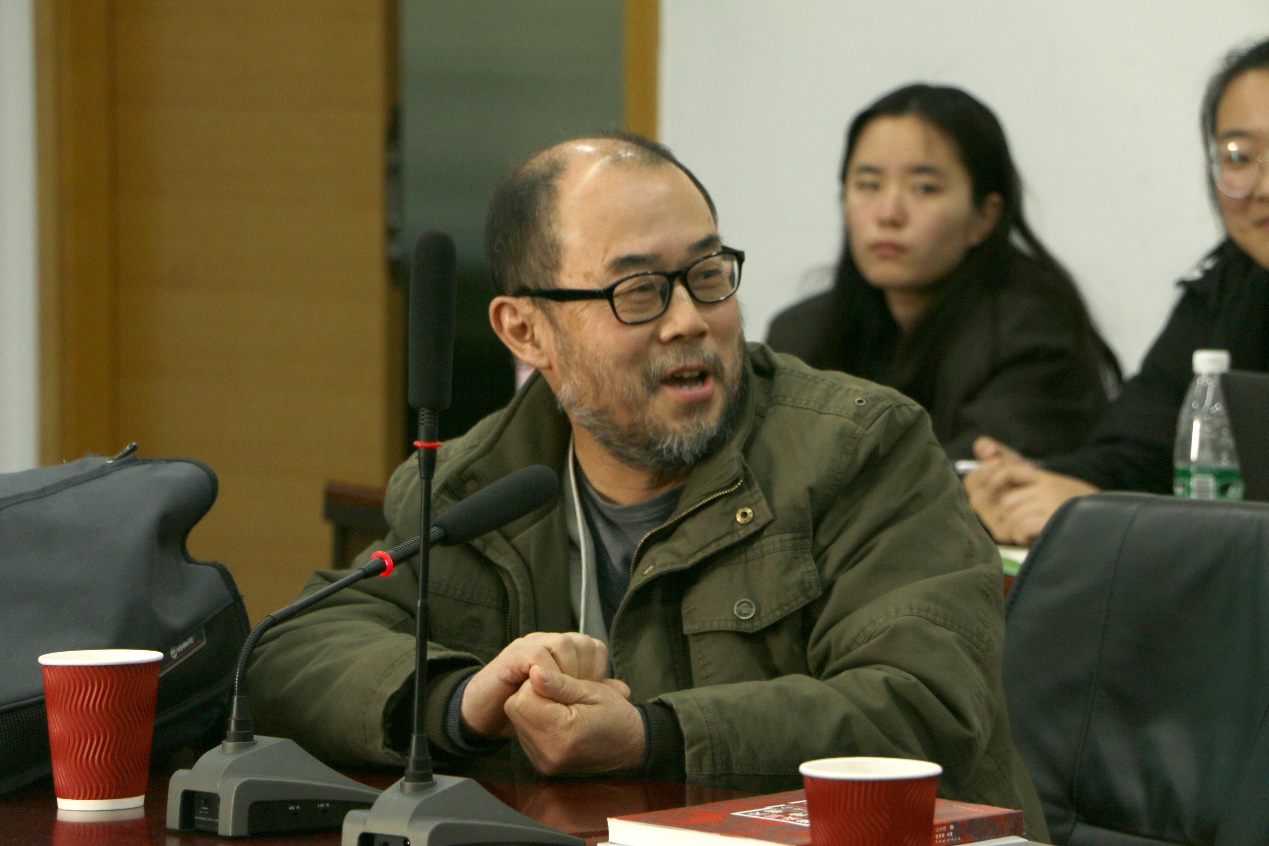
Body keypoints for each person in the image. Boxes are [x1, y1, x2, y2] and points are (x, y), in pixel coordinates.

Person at [247, 133, 1046, 834]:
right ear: (526, 330)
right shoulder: (474, 485)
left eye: (707, 274)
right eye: (637, 292)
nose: (689, 319)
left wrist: (652, 733)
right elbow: (290, 651)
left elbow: (923, 705)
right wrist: (460, 701)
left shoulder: (861, 448)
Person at [966, 37, 1269, 546]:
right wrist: (1048, 488)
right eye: (1238, 157)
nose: (1263, 187)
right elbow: (1139, 448)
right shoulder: (1226, 293)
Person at [768, 84, 1118, 461]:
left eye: (924, 188)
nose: (888, 214)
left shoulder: (1036, 333)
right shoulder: (801, 334)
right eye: (868, 185)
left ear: (984, 217)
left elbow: (974, 478)